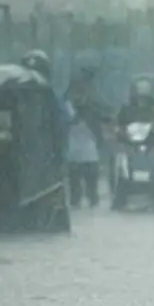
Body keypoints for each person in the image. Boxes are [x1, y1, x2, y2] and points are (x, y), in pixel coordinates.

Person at [64, 69, 111, 209]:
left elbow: (106, 113)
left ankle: (90, 199)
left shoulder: (93, 102)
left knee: (91, 182)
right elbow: (67, 119)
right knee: (75, 181)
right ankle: (78, 199)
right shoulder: (67, 102)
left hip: (89, 146)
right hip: (73, 145)